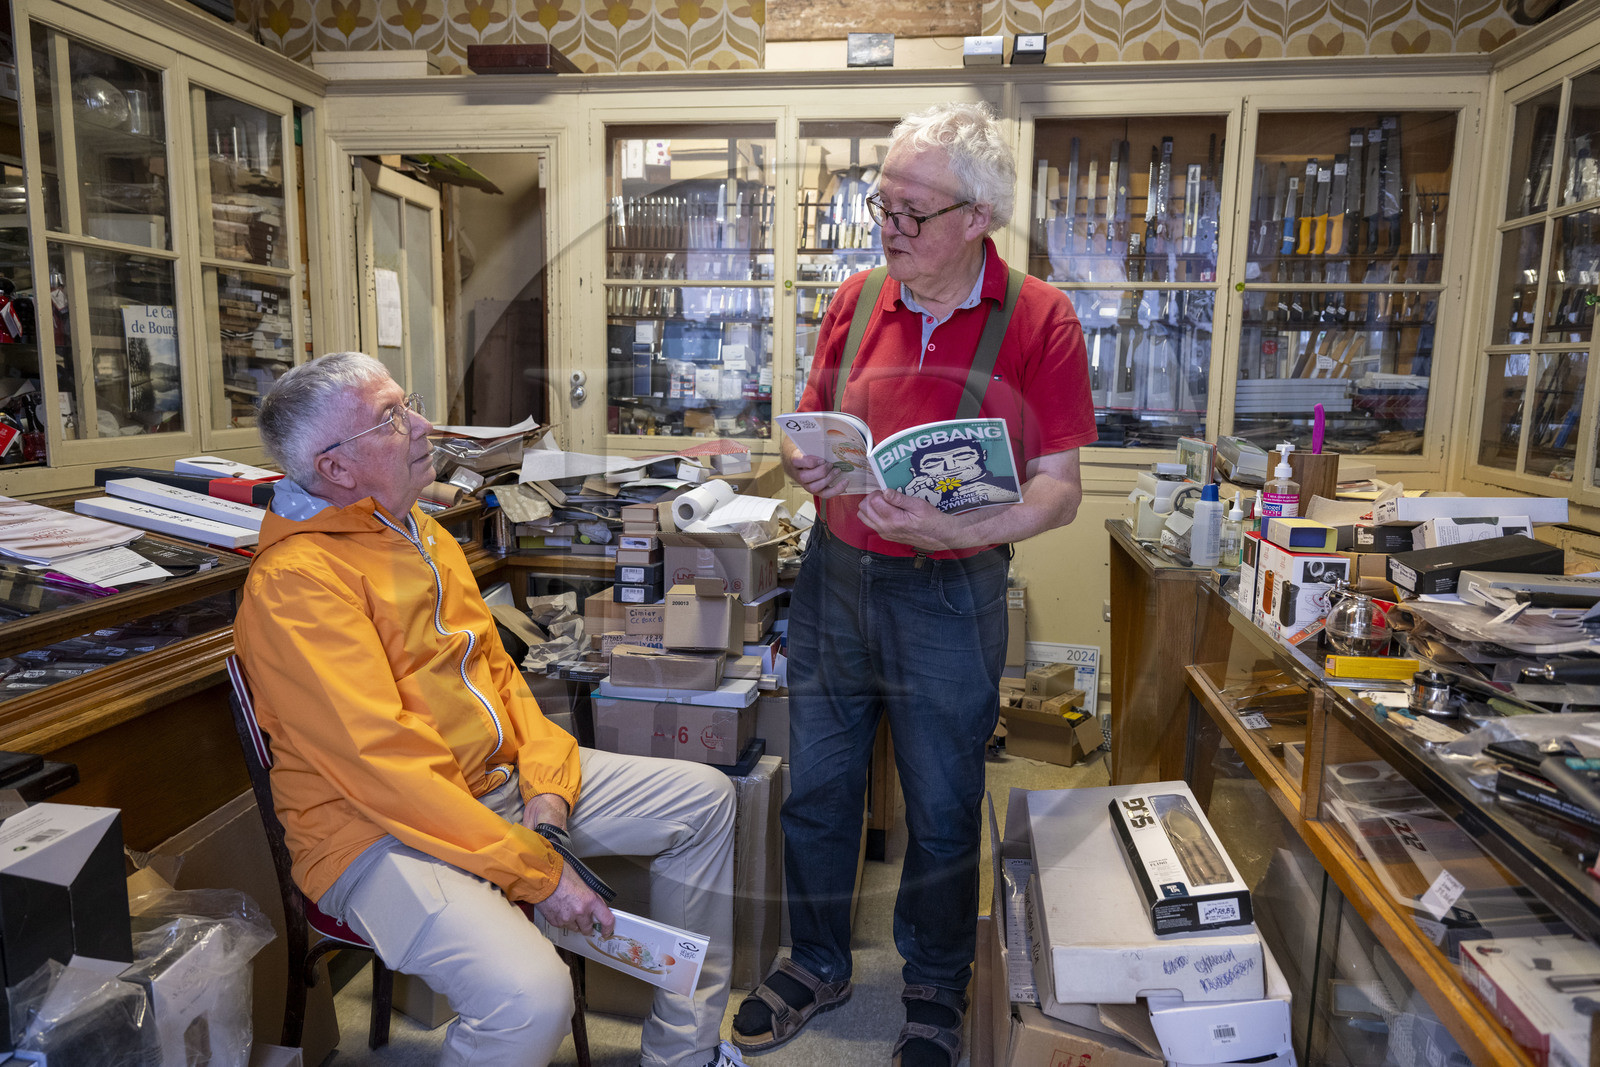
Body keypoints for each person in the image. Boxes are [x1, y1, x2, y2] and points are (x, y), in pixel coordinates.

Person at [233, 352, 745, 1067]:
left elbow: (501, 680)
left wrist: (545, 786)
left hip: (488, 786)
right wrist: (537, 869)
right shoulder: (296, 586)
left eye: (405, 401)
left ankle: (682, 1057)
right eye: (390, 418)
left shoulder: (421, 531)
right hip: (374, 834)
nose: (422, 425)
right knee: (530, 999)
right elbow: (385, 770)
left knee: (707, 799)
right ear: (337, 469)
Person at [732, 103, 1097, 1066]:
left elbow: (1059, 492)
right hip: (835, 578)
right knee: (816, 785)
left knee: (941, 802)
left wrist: (959, 523)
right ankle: (816, 960)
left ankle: (934, 983)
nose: (887, 227)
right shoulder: (856, 298)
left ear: (979, 217)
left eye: (911, 211)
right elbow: (806, 416)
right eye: (881, 203)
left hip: (952, 591)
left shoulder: (1041, 319)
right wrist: (801, 458)